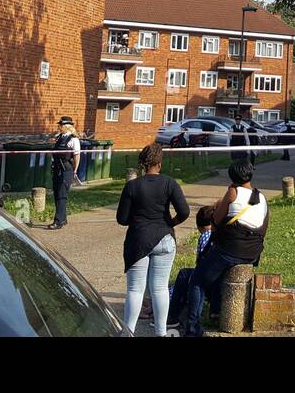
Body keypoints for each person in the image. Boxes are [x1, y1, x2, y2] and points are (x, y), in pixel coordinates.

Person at [182, 159, 269, 336]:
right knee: (214, 271)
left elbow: (216, 221)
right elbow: (263, 226)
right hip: (252, 253)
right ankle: (215, 310)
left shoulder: (233, 192)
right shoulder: (262, 197)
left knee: (198, 280)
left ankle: (192, 328)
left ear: (232, 177)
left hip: (230, 250)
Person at [115, 142, 189, 335]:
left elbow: (121, 219)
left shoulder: (132, 186)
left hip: (138, 239)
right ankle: (161, 332)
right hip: (164, 237)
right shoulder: (170, 183)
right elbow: (185, 211)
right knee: (160, 288)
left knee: (135, 290)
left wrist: (138, 221)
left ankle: (128, 332)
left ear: (142, 164)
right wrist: (170, 223)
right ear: (160, 164)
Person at [167, 205, 215, 330]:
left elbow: (201, 264)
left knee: (184, 275)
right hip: (218, 274)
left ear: (199, 226)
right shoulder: (218, 233)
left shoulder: (205, 236)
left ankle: (173, 316)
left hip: (208, 277)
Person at [48, 116, 80, 230]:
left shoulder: (73, 139)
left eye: (60, 125)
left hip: (66, 170)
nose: (59, 127)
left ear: (66, 126)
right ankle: (63, 218)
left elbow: (77, 156)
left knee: (62, 195)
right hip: (56, 169)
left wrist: (75, 170)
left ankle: (58, 221)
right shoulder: (59, 138)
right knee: (57, 194)